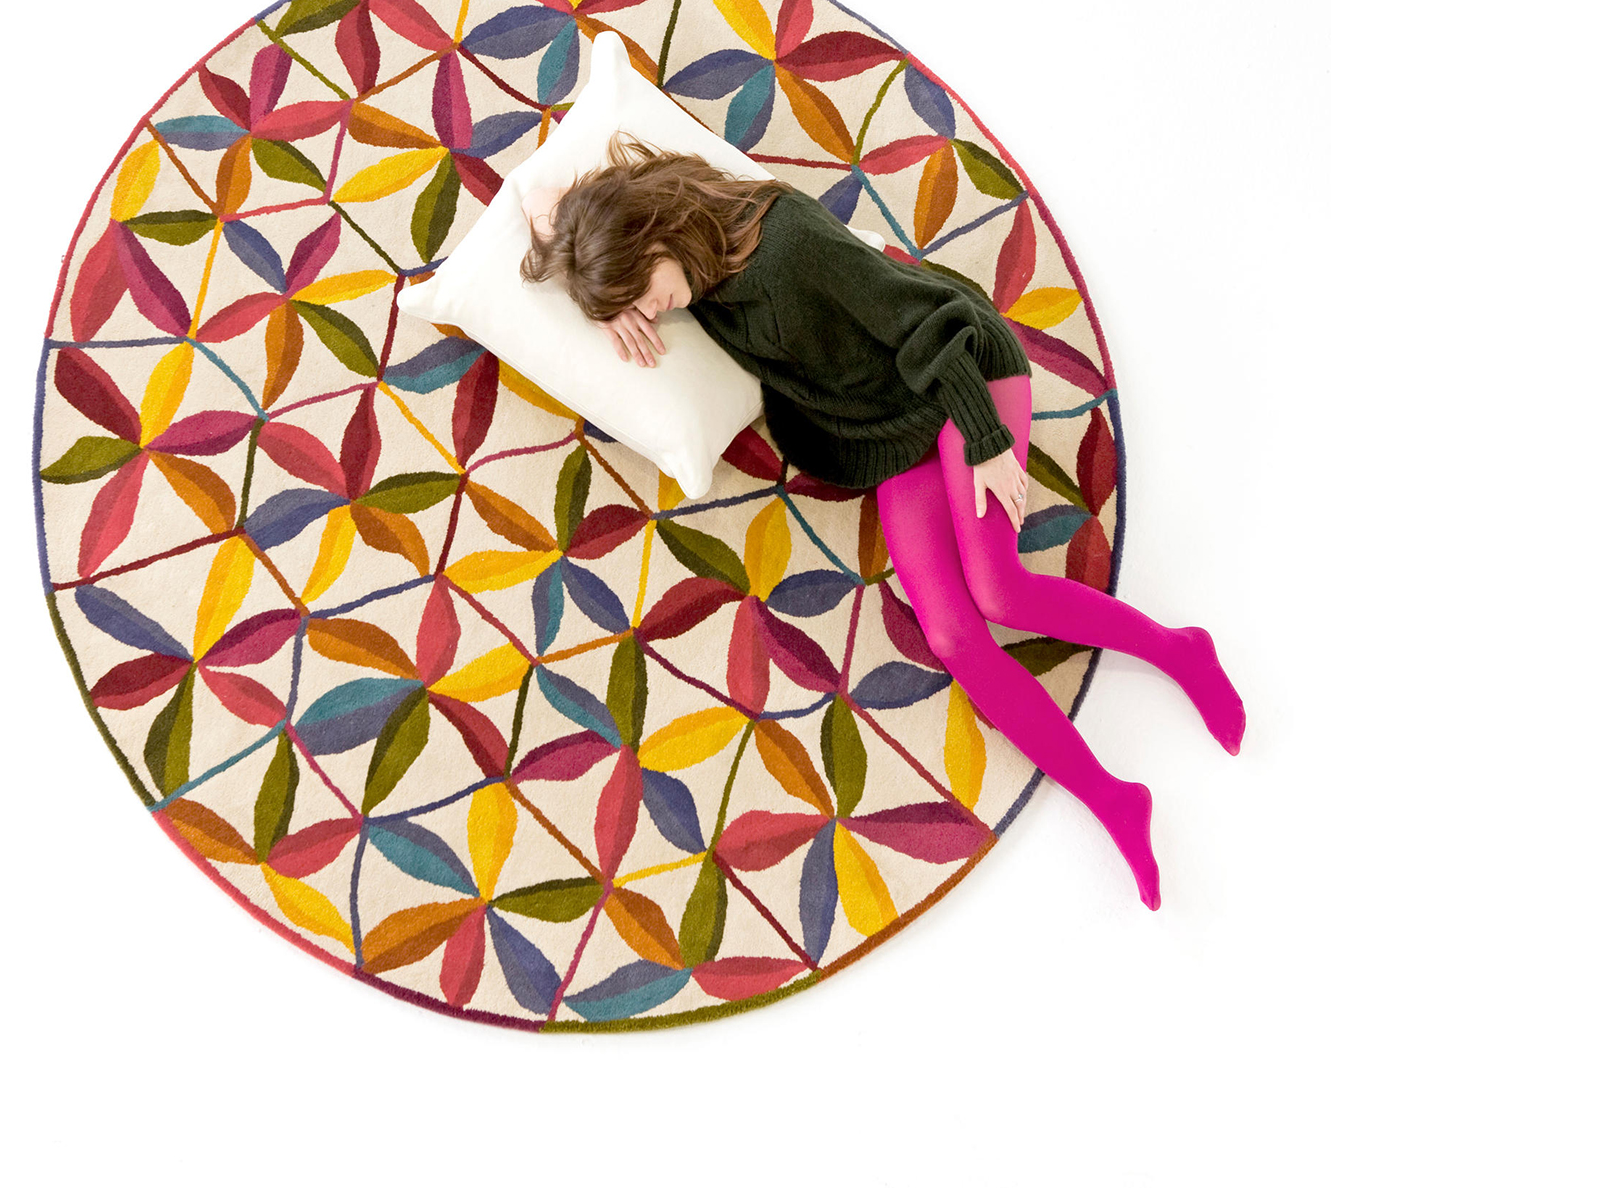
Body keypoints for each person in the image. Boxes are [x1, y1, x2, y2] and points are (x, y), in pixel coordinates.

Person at [518, 134, 1244, 910]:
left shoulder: (788, 244)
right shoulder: (689, 268)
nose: (650, 310)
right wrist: (606, 301)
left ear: (651, 232)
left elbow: (925, 323)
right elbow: (541, 204)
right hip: (892, 426)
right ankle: (1115, 800)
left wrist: (987, 440)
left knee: (1000, 592)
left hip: (962, 372)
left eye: (642, 290)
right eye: (636, 303)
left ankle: (1181, 649)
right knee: (955, 638)